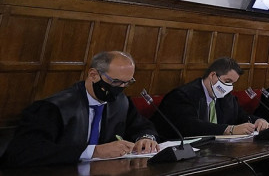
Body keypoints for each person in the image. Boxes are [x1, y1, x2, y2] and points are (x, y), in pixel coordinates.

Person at [1, 51, 159, 167]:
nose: (122, 88)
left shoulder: (120, 103)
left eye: (128, 82)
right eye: (116, 82)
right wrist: (94, 151)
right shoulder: (53, 108)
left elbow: (142, 126)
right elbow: (23, 151)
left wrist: (146, 138)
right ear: (93, 75)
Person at [155, 57, 269, 138]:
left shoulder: (226, 97)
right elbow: (190, 127)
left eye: (232, 83)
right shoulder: (183, 95)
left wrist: (258, 121)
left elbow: (241, 117)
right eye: (227, 81)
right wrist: (228, 130)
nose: (229, 87)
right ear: (212, 75)